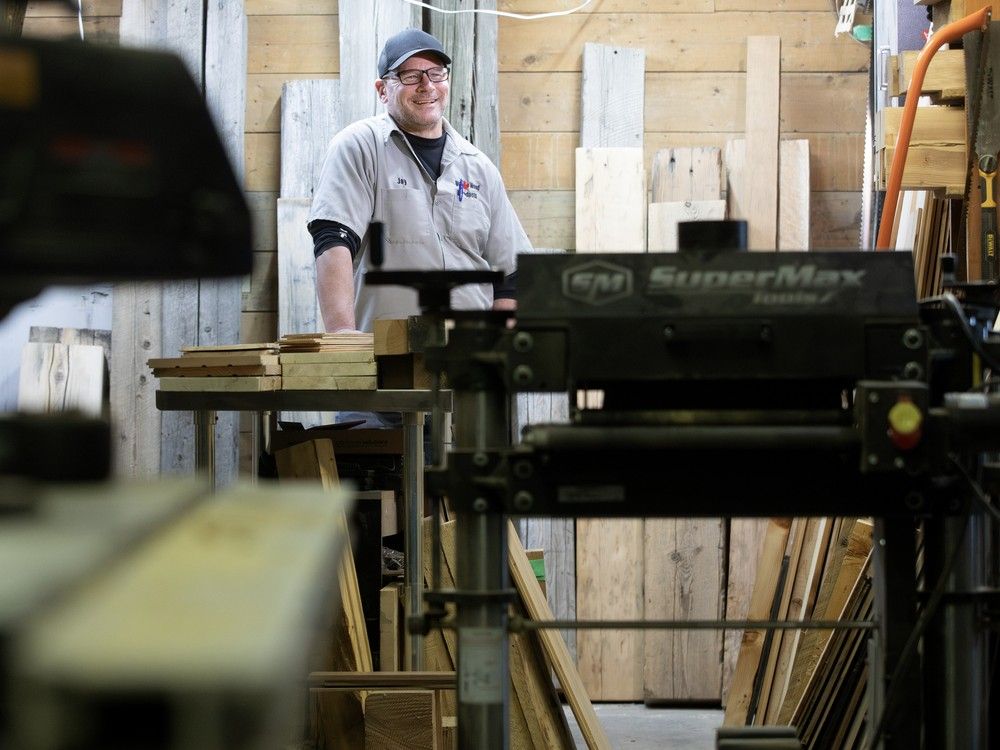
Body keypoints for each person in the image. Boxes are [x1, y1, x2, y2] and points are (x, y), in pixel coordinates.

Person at [307, 27, 528, 337]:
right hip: (387, 363)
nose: (427, 86)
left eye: (436, 73)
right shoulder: (359, 147)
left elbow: (514, 273)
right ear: (382, 90)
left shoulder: (479, 167)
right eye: (410, 76)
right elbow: (333, 238)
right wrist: (344, 344)